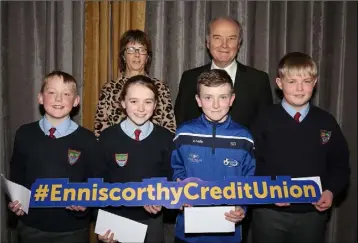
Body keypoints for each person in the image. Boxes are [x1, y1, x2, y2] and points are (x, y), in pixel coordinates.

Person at [250, 52, 350, 243]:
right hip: (269, 213)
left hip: (312, 215)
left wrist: (330, 190)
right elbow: (250, 163)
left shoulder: (326, 122)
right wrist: (269, 192)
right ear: (279, 83)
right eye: (292, 81)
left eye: (306, 81)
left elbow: (340, 165)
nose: (299, 88)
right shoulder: (263, 119)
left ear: (315, 83)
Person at [8, 71, 98, 243]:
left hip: (73, 229)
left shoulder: (87, 139)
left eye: (66, 94)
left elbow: (94, 180)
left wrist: (87, 204)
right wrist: (15, 199)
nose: (58, 99)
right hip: (31, 226)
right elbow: (17, 173)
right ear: (40, 98)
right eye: (52, 92)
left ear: (76, 101)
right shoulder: (24, 134)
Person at [171, 69, 256, 243]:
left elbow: (250, 179)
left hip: (229, 231)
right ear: (198, 101)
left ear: (232, 99)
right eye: (208, 98)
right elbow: (175, 169)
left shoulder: (244, 137)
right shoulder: (183, 133)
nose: (216, 105)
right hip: (188, 230)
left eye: (223, 97)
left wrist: (243, 208)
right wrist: (179, 188)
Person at [97, 75, 174, 243]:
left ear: (155, 105)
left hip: (152, 221)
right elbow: (98, 182)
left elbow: (171, 180)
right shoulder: (107, 137)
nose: (141, 108)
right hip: (115, 221)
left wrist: (162, 200)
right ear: (123, 103)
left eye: (147, 102)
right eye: (133, 101)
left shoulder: (165, 138)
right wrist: (102, 224)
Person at [174, 16, 273, 129]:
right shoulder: (189, 78)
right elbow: (180, 122)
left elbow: (266, 126)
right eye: (217, 38)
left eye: (231, 38)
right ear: (208, 43)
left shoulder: (258, 80)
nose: (224, 45)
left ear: (239, 44)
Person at [94, 29, 176, 137]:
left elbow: (169, 130)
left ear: (147, 57)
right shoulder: (109, 88)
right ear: (123, 55)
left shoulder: (160, 88)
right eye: (131, 50)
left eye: (142, 50)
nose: (137, 55)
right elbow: (100, 132)